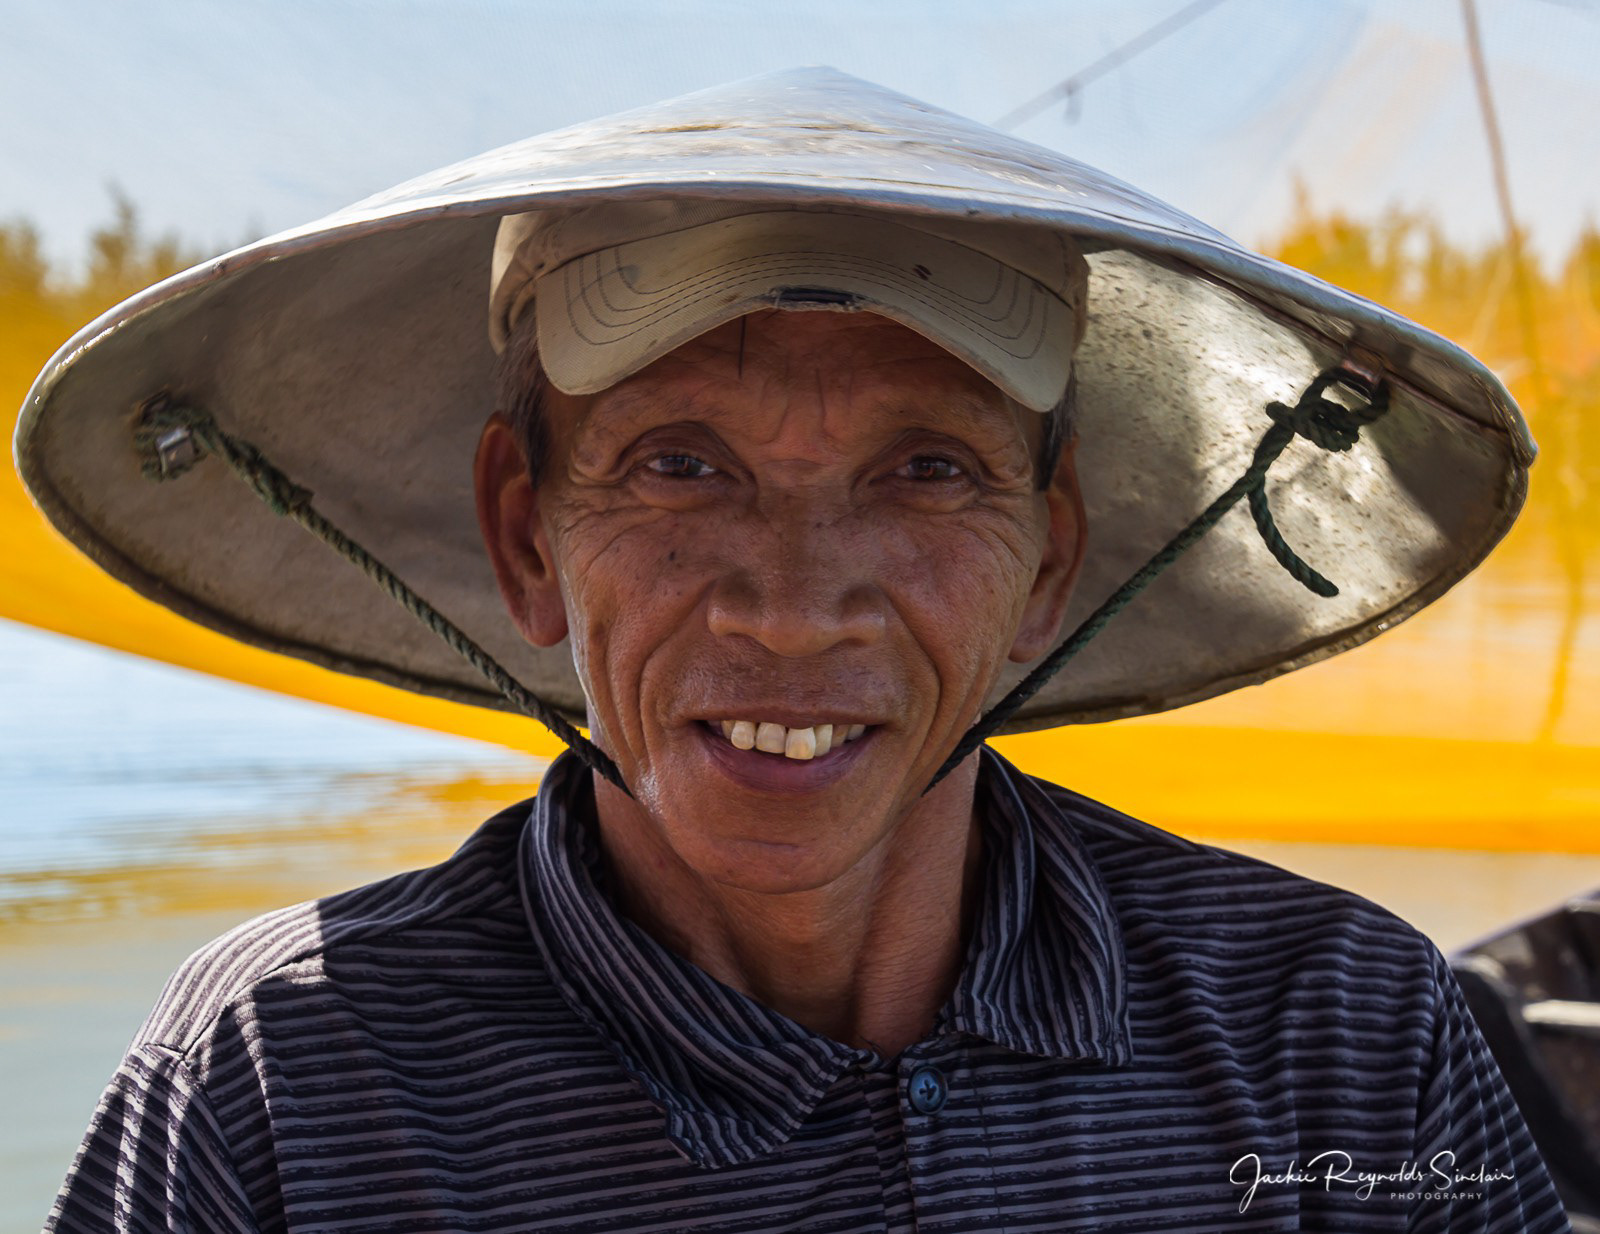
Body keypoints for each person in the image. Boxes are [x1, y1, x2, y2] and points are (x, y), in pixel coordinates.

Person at [21, 69, 1569, 1232]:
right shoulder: (283, 1078)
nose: (791, 605)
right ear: (524, 534)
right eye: (682, 465)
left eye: (925, 472)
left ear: (1052, 553)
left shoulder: (1344, 1037)